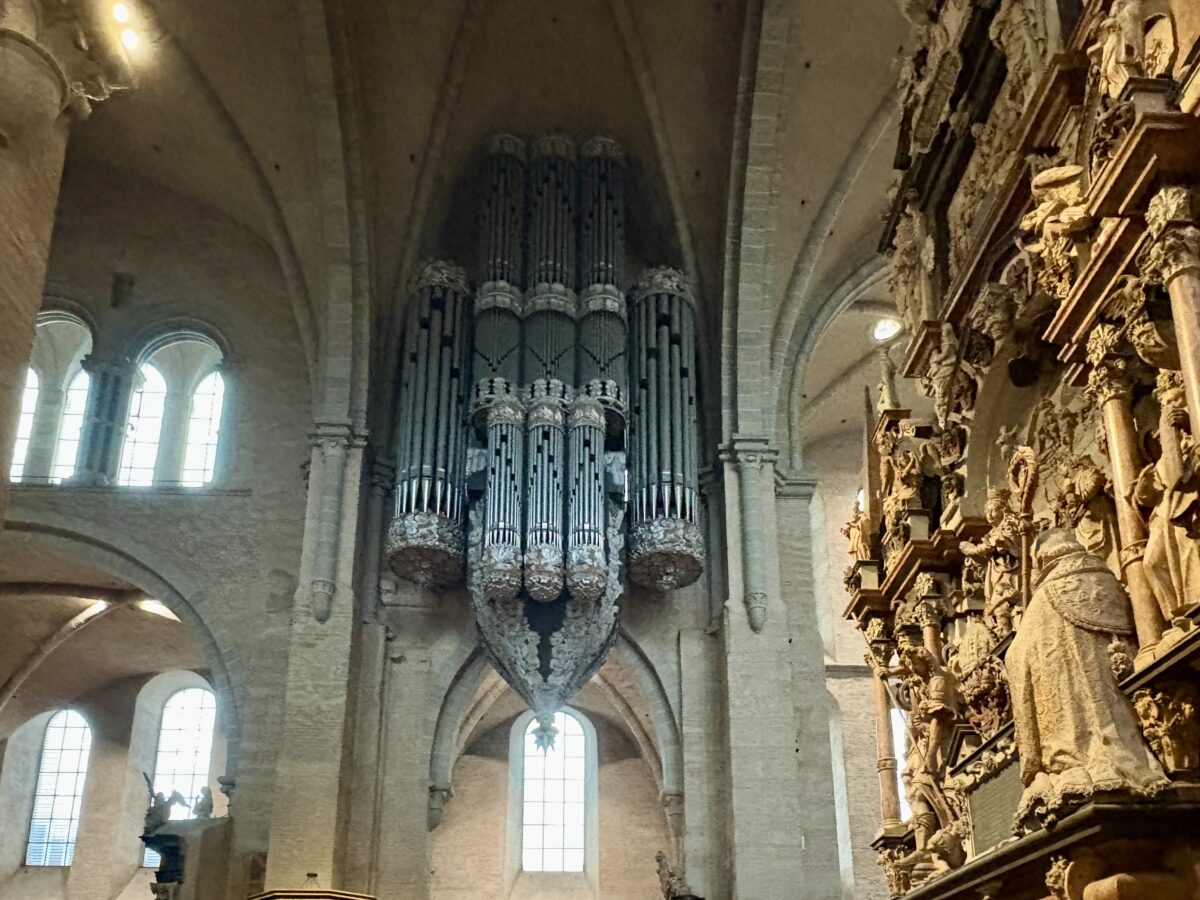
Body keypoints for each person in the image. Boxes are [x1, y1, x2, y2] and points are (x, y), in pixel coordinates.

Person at [1005, 529, 1168, 829]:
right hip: (1135, 726)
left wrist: (1031, 766)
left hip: (1072, 744)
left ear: (1042, 558)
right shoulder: (1109, 582)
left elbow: (1016, 660)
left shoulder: (1041, 602)